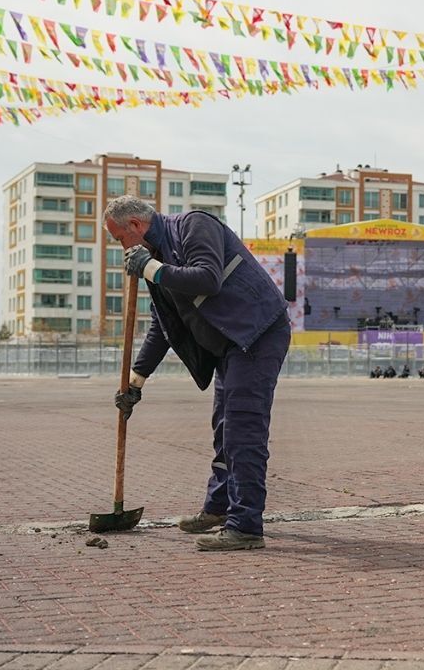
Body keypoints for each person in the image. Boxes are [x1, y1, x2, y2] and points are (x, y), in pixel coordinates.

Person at [105, 196, 290, 552]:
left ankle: (246, 526)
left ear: (135, 226)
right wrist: (135, 382)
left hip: (258, 333)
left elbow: (208, 279)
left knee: (242, 428)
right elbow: (164, 326)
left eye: (118, 238)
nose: (121, 248)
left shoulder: (193, 225)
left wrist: (152, 269)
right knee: (224, 428)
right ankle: (219, 509)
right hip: (230, 345)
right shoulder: (154, 258)